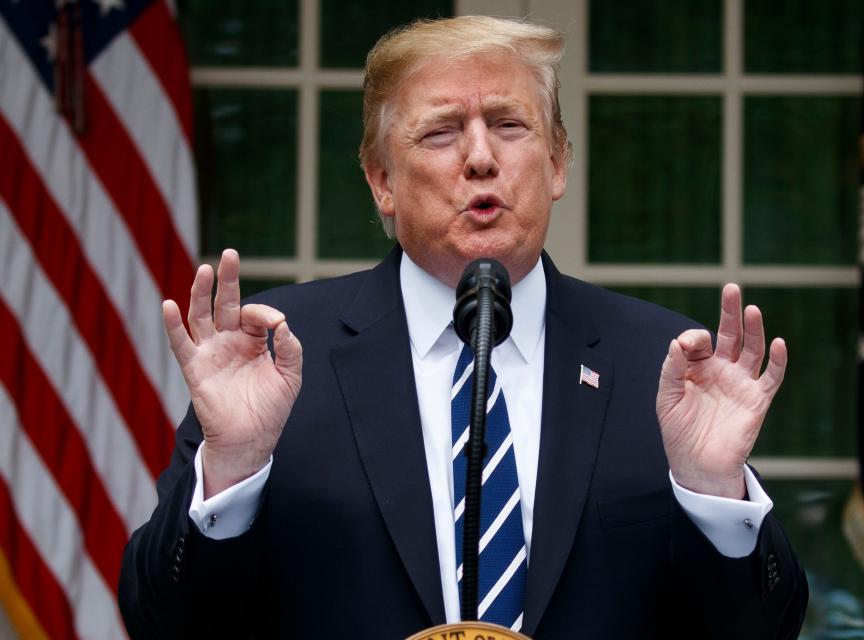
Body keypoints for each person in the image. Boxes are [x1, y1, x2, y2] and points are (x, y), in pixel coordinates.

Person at [119, 15, 807, 638]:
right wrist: (235, 468)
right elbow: (161, 623)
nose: (481, 157)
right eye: (442, 132)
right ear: (381, 179)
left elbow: (762, 631)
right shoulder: (276, 358)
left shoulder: (664, 368)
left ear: (558, 161)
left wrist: (716, 495)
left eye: (510, 125)